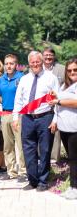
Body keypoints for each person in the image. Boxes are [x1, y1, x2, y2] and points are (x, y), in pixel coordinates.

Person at [13, 51, 59, 191]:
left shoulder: (51, 78)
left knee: (45, 150)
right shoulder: (24, 79)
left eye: (37, 61)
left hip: (45, 117)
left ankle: (43, 181)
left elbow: (57, 100)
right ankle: (32, 180)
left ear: (42, 61)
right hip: (27, 119)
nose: (35, 64)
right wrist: (15, 118)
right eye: (32, 62)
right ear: (29, 63)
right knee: (28, 150)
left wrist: (55, 119)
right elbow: (18, 100)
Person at [48, 58, 77, 199]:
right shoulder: (65, 86)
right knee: (71, 159)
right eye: (70, 70)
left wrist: (58, 100)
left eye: (75, 70)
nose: (72, 72)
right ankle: (73, 186)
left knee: (74, 159)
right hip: (64, 128)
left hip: (74, 128)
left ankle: (75, 188)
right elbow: (57, 107)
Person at [0, 54, 27, 182]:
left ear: (16, 64)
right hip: (5, 115)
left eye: (11, 63)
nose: (9, 66)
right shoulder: (1, 79)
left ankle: (23, 171)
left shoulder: (22, 78)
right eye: (7, 63)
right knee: (8, 146)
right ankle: (12, 171)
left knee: (21, 144)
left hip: (19, 115)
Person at [42, 47, 65, 164]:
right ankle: (42, 160)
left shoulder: (61, 69)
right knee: (41, 134)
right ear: (42, 56)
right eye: (46, 55)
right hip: (41, 108)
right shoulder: (36, 69)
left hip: (57, 107)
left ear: (54, 56)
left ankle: (55, 161)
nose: (48, 57)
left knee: (55, 134)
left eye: (50, 55)